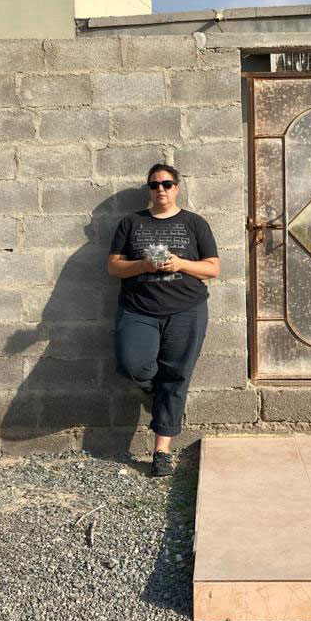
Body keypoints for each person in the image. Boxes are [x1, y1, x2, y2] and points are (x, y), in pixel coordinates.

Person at [107, 164, 220, 477]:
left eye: (167, 184)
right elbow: (114, 267)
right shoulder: (131, 223)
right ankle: (156, 393)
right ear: (148, 189)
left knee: (177, 376)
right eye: (155, 185)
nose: (161, 190)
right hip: (138, 309)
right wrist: (144, 264)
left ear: (177, 188)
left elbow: (212, 268)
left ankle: (161, 452)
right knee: (133, 363)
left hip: (187, 309)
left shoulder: (195, 223)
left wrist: (179, 263)